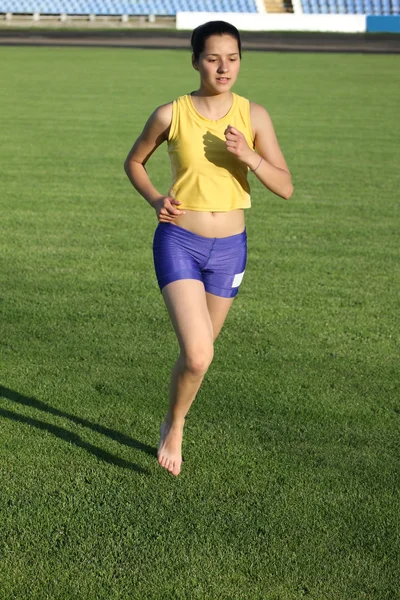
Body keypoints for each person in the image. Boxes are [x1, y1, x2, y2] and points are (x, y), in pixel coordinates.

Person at [124, 20, 293, 476]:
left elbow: (286, 187)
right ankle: (175, 426)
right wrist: (157, 199)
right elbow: (134, 161)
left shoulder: (254, 116)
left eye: (233, 58)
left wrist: (251, 157)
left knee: (200, 356)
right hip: (179, 239)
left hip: (231, 250)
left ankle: (173, 415)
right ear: (195, 59)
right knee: (198, 353)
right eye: (213, 58)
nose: (224, 68)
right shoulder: (171, 113)